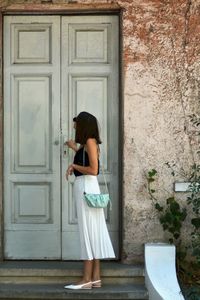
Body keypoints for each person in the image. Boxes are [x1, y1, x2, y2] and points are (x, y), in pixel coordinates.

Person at [64, 111, 115, 290]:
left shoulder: (91, 142)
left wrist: (73, 165)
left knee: (87, 232)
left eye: (76, 123)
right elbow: (86, 157)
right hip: (86, 187)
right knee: (93, 231)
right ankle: (95, 278)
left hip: (86, 187)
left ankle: (86, 279)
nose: (74, 126)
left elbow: (94, 170)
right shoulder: (87, 144)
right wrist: (74, 149)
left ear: (83, 126)